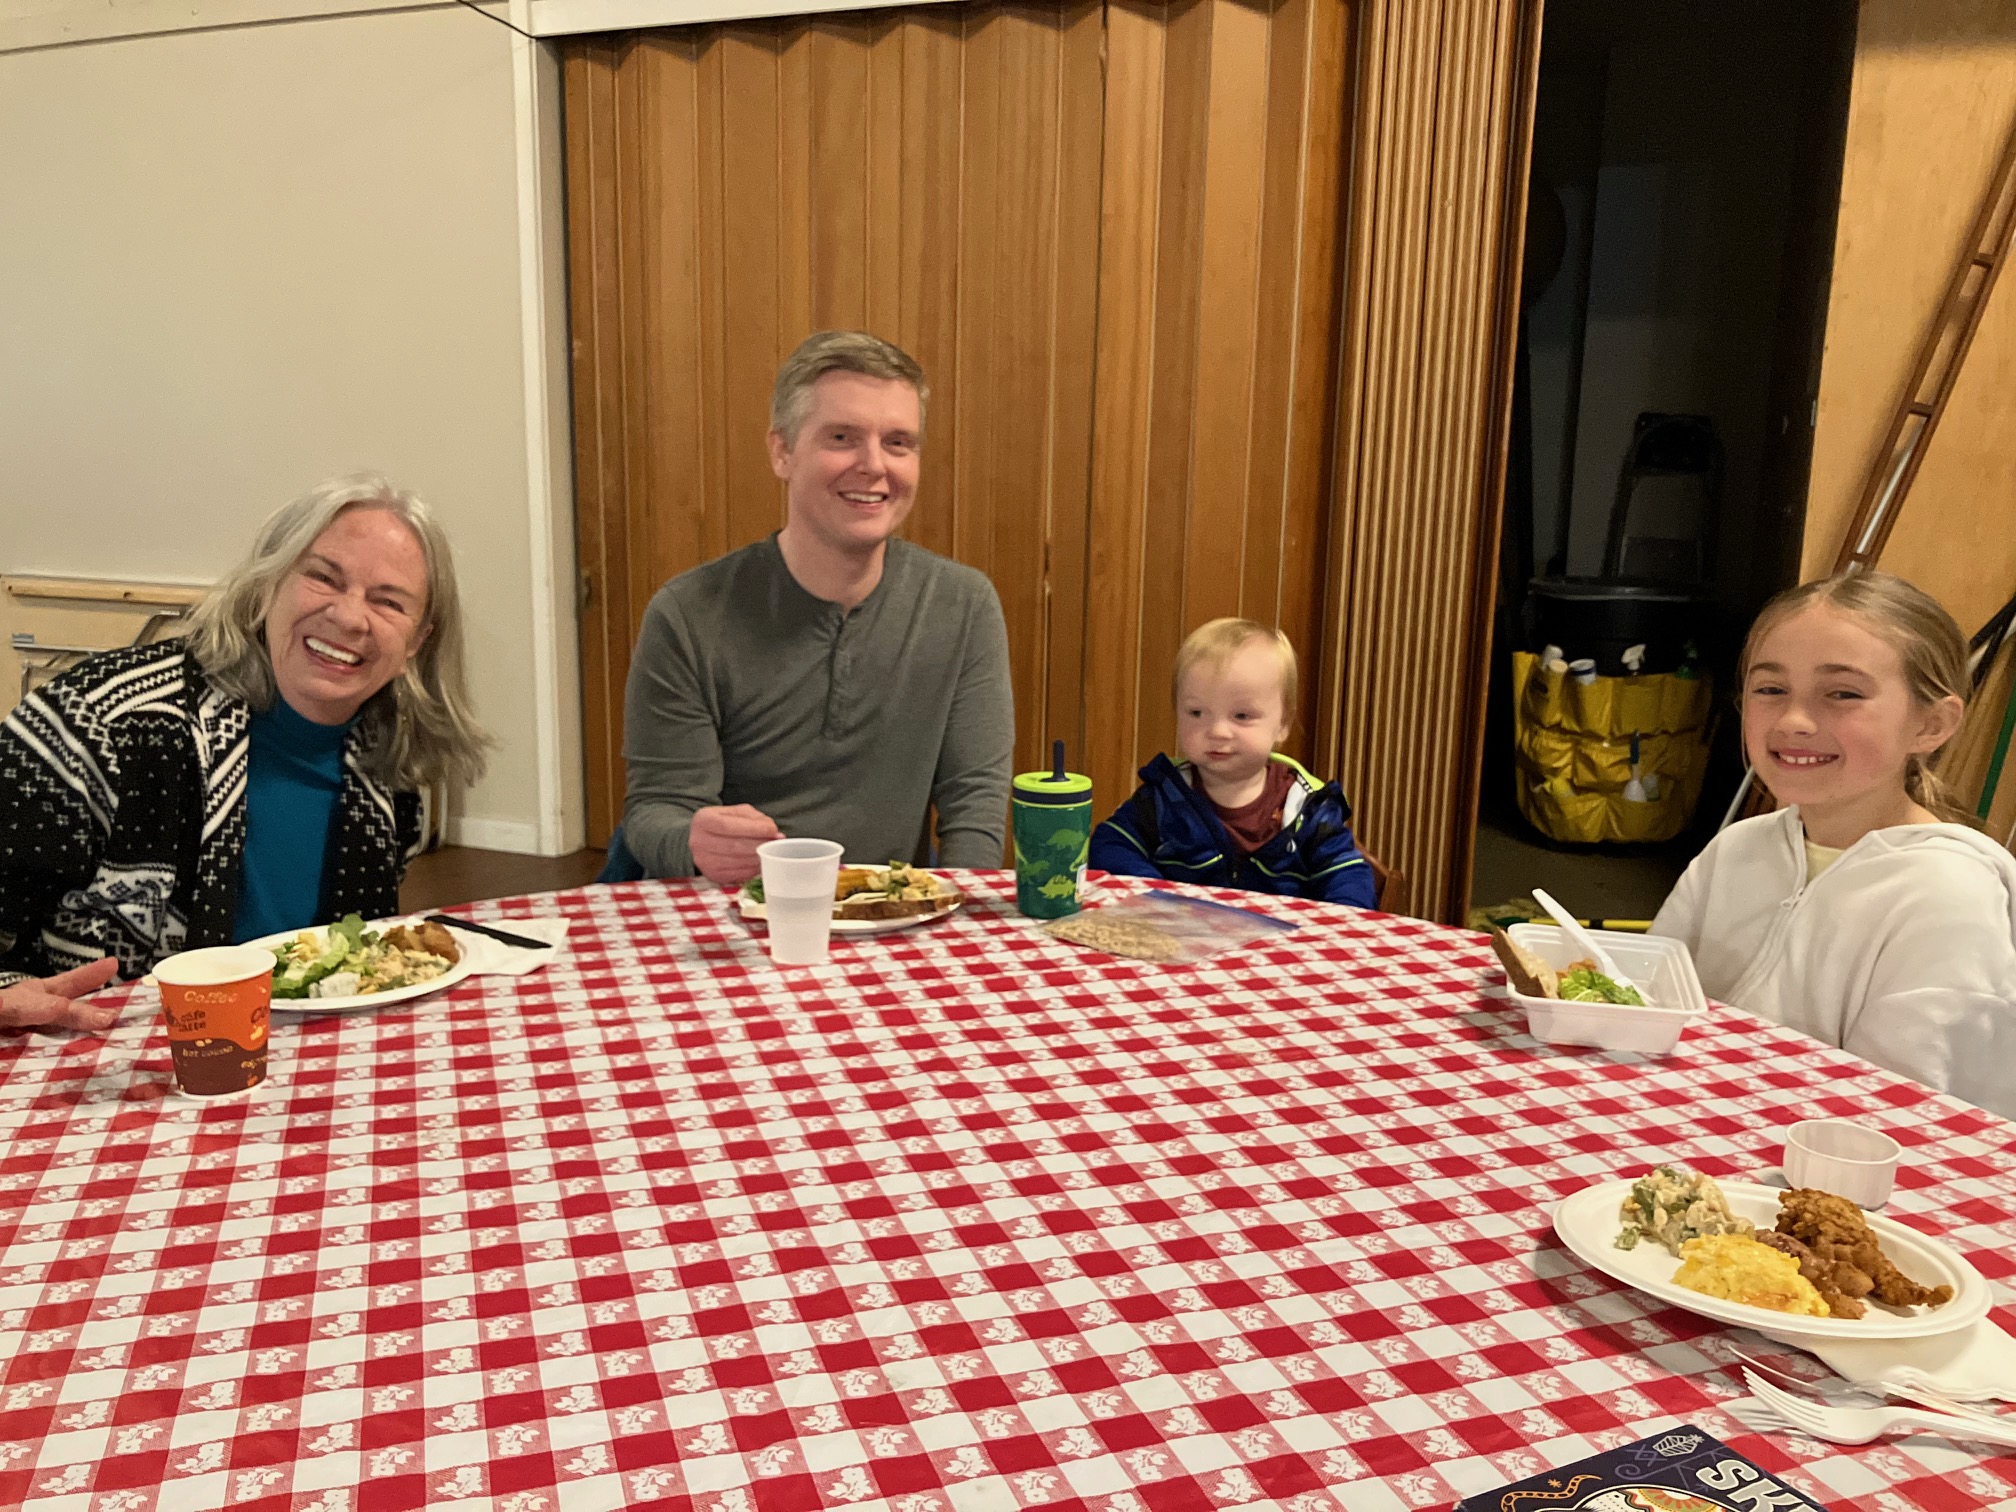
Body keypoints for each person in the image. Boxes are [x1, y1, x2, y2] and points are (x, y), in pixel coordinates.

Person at [0, 474, 490, 1033]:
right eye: (323, 578)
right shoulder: (98, 723)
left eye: (388, 602)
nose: (351, 617)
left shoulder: (389, 768)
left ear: (416, 643)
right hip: (85, 1056)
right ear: (265, 585)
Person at [620, 330, 1013, 884]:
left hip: (891, 912)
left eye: (898, 442)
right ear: (782, 451)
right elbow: (656, 809)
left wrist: (951, 912)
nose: (874, 465)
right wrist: (692, 840)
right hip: (729, 908)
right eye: (842, 437)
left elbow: (974, 804)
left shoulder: (964, 605)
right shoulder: (687, 614)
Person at [1651, 572, 2016, 1118]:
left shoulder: (1948, 894)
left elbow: (1905, 1112)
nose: (1794, 720)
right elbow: (1651, 998)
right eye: (1770, 690)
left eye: (1843, 694)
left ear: (1932, 724)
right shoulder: (1738, 849)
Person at [1087, 618, 1377, 906]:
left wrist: (1335, 921)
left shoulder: (1307, 807)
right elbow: (1109, 844)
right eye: (1196, 713)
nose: (1217, 731)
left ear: (1283, 724)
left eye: (1241, 716)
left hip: (1281, 933)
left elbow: (1349, 877)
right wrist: (1158, 895)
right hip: (1183, 929)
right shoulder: (1164, 795)